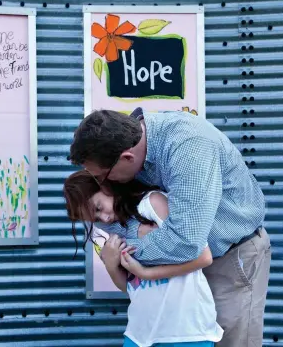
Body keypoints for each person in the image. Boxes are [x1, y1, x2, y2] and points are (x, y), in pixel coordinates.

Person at [69, 109, 271, 346]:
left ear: (126, 157)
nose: (104, 184)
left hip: (231, 256)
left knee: (230, 341)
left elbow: (186, 242)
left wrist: (124, 251)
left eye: (102, 178)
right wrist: (130, 242)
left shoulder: (189, 147)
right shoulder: (129, 147)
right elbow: (124, 225)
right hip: (187, 265)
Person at [63, 170, 223, 347]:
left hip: (186, 331)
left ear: (105, 186)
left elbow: (204, 257)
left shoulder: (152, 203)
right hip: (140, 334)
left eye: (98, 208)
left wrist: (147, 273)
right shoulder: (112, 230)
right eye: (95, 218)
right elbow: (130, 286)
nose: (104, 218)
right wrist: (111, 265)